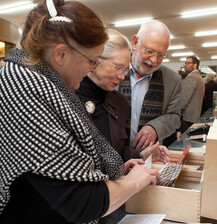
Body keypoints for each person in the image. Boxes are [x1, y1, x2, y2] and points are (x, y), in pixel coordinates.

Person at [0, 1, 160, 223]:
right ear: (61, 54)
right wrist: (133, 182)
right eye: (91, 60)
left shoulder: (46, 83)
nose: (91, 69)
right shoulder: (23, 86)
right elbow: (82, 201)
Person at [76, 29, 169, 164]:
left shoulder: (120, 103)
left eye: (125, 69)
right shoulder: (66, 96)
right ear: (95, 61)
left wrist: (141, 154)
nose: (121, 76)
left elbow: (117, 152)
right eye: (117, 67)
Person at [118, 20, 181, 151]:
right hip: (110, 155)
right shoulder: (114, 69)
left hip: (149, 157)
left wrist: (155, 127)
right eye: (150, 51)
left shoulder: (172, 80)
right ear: (135, 42)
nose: (154, 60)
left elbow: (174, 117)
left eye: (161, 55)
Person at [179, 56, 205, 133]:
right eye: (185, 63)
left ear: (195, 65)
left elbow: (184, 98)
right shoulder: (198, 76)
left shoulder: (192, 77)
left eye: (188, 63)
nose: (185, 65)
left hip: (188, 117)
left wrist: (178, 111)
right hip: (194, 116)